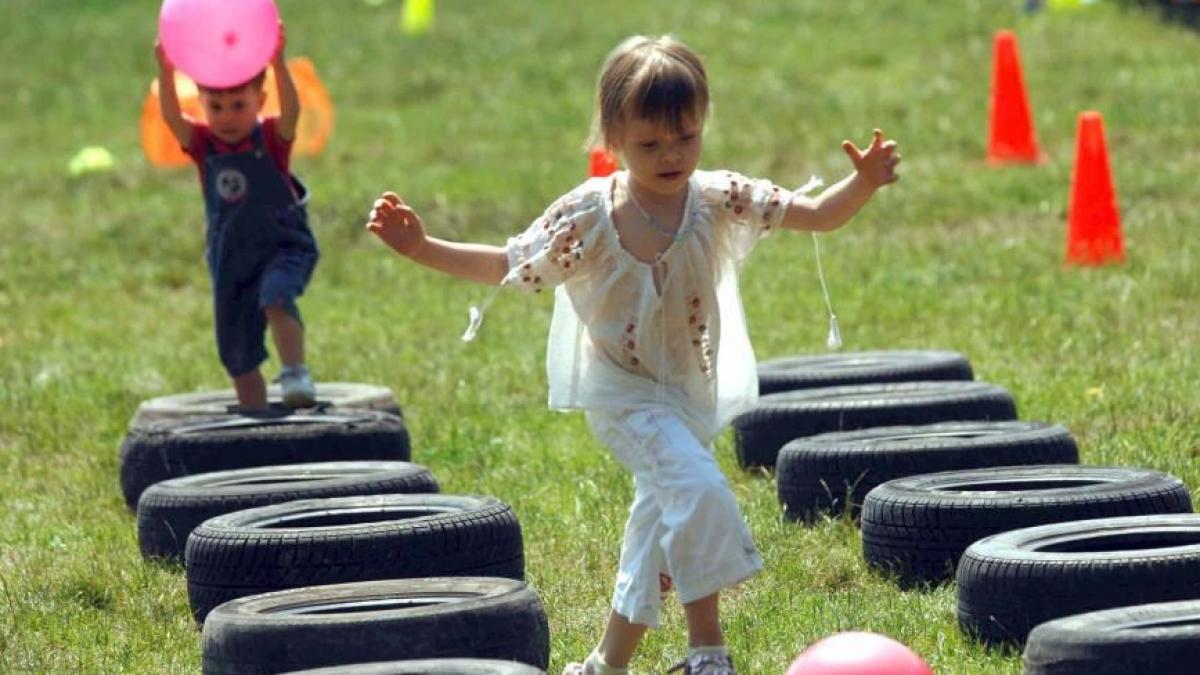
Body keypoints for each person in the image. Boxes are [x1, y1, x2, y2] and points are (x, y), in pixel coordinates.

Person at [366, 34, 899, 675]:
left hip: (690, 395)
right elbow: (507, 265)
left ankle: (604, 666)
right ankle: (708, 653)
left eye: (686, 137)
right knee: (700, 493)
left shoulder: (718, 197)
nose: (671, 155)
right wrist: (422, 246)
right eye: (650, 144)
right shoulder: (589, 217)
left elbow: (815, 214)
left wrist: (863, 184)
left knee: (655, 532)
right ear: (613, 138)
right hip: (621, 393)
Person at [154, 24, 319, 410]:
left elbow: (293, 110)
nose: (227, 117)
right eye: (215, 107)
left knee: (275, 297)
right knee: (238, 354)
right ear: (202, 106)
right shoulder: (202, 144)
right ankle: (253, 424)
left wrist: (278, 62)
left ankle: (295, 371)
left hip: (282, 246)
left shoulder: (272, 139)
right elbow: (171, 118)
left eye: (238, 105)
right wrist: (165, 72)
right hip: (230, 260)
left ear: (260, 101)